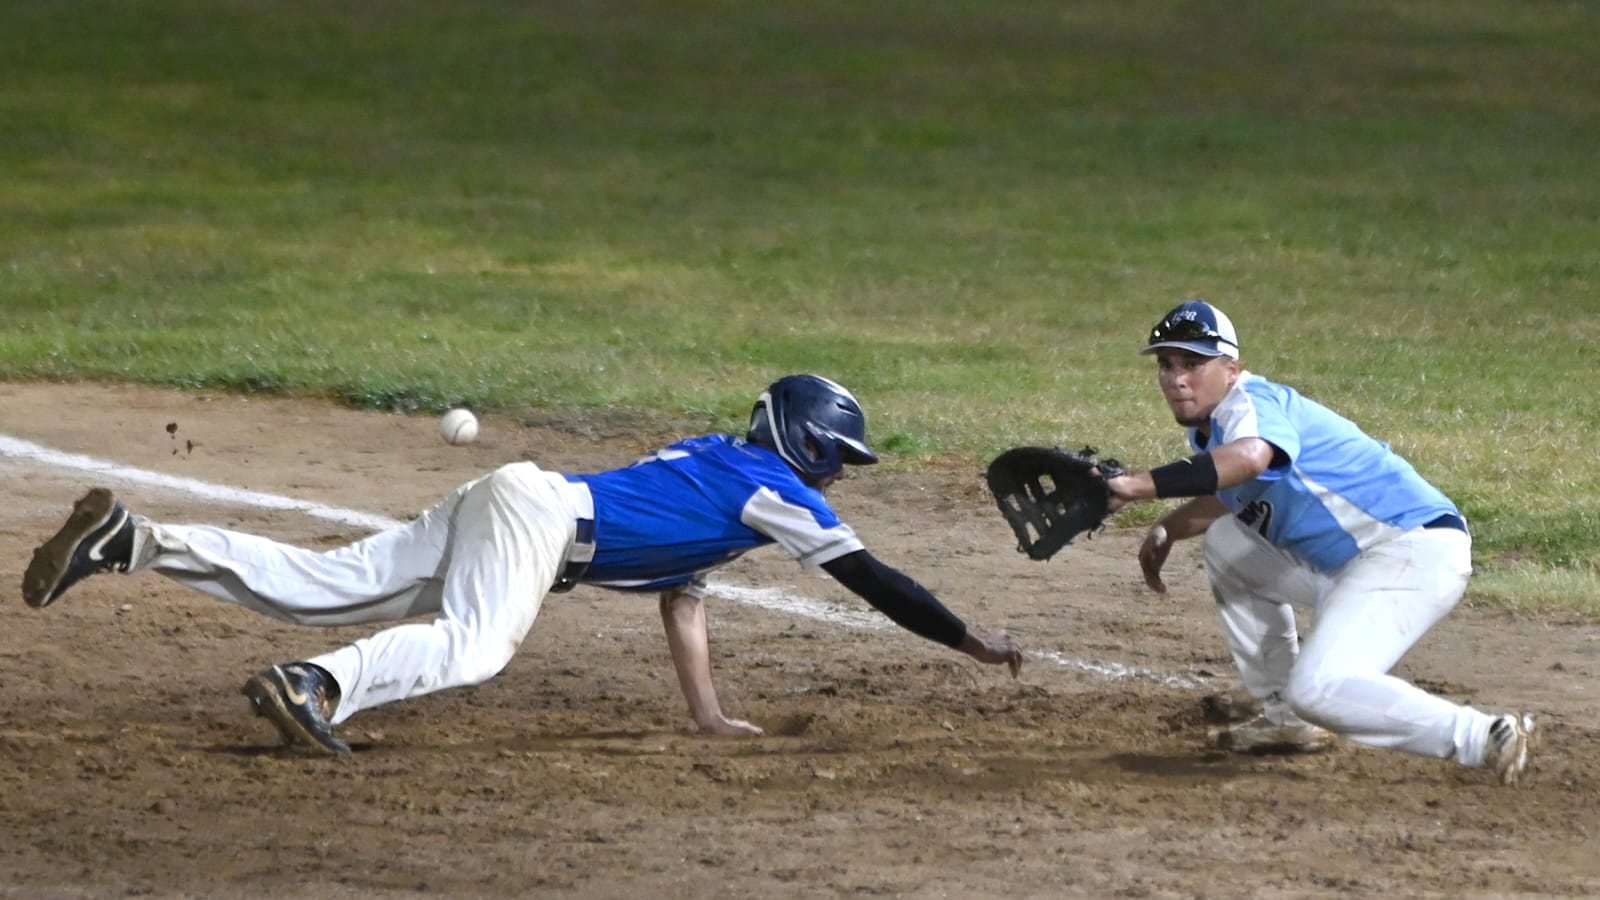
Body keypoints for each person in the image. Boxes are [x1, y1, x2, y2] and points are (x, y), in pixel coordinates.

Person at [21, 374, 1023, 754]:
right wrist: (964, 638)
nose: (840, 476)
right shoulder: (781, 494)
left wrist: (705, 714)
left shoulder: (724, 470)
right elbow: (874, 580)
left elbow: (682, 598)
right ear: (805, 441)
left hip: (519, 500)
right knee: (476, 648)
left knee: (333, 584)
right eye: (839, 456)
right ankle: (315, 688)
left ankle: (140, 541)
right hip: (538, 524)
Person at [1103, 299, 1535, 785]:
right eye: (1166, 364)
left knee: (1321, 688)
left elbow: (1250, 459)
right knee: (1227, 543)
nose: (1176, 378)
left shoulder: (1252, 405)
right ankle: (1285, 714)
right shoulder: (1215, 430)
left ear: (1231, 369)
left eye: (1193, 363)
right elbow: (1237, 489)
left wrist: (1138, 486)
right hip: (1352, 566)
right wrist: (1170, 526)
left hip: (1409, 553)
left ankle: (1484, 735)